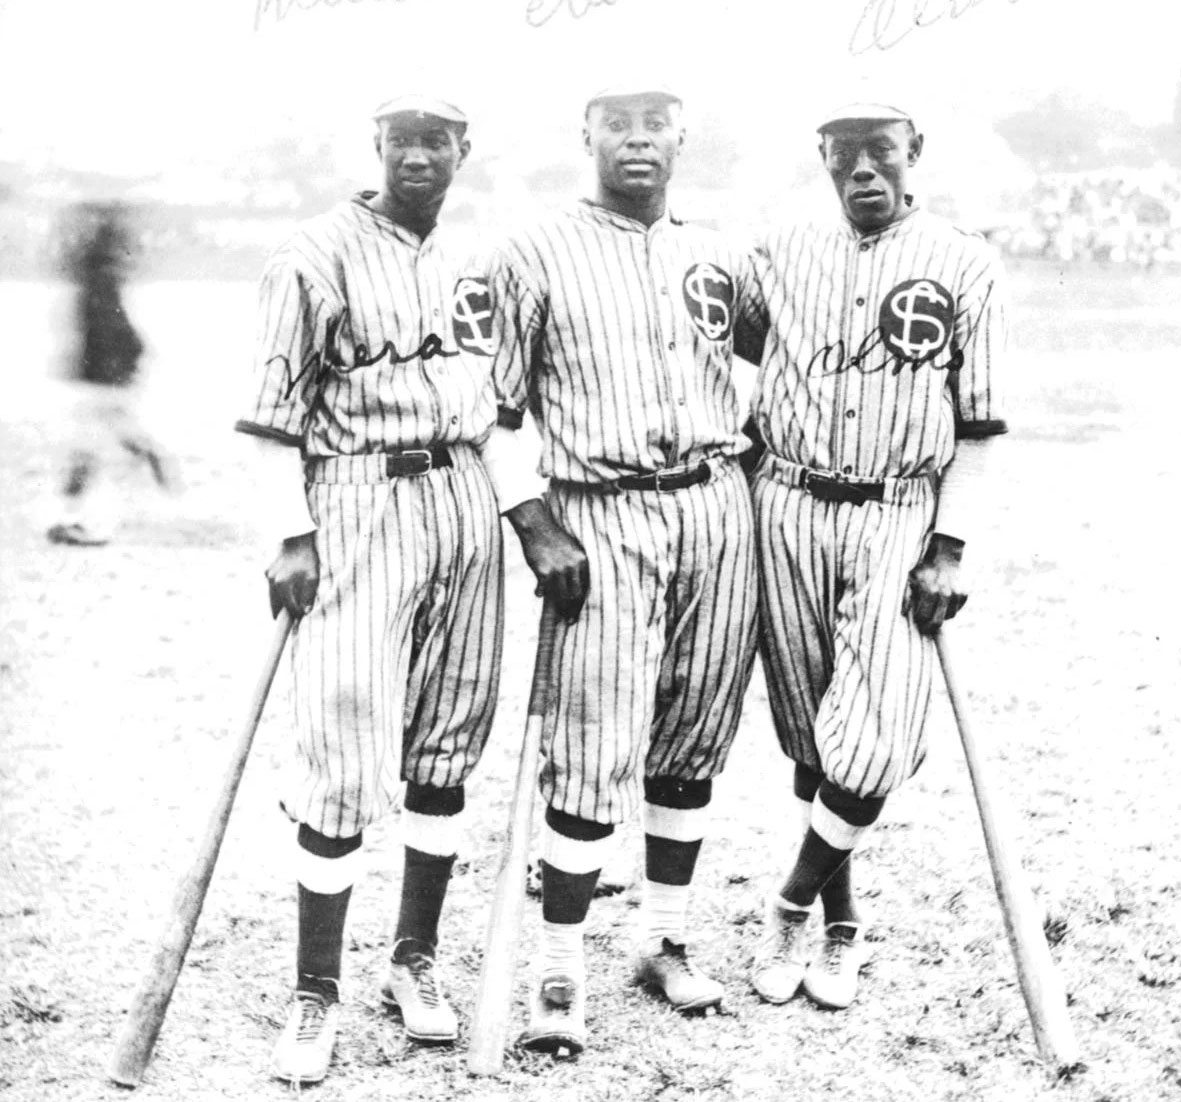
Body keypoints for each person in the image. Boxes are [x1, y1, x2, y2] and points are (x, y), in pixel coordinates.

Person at [237, 95, 584, 1085]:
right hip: (357, 497)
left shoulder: (478, 258)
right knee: (346, 749)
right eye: (403, 137)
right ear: (376, 145)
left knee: (446, 743)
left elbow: (499, 414)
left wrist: (528, 514)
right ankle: (315, 990)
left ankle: (412, 956)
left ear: (465, 148)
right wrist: (292, 532)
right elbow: (272, 418)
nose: (421, 153)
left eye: (440, 137)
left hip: (464, 501)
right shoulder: (314, 253)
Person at [491, 83, 759, 1058]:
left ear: (683, 133)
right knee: (594, 742)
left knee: (693, 736)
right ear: (588, 134)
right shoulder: (533, 247)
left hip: (715, 503)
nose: (638, 139)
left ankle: (662, 936)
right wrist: (532, 522)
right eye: (618, 123)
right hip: (599, 511)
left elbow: (784, 362)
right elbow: (495, 407)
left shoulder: (717, 247)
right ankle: (560, 963)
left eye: (656, 123)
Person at [735, 101, 1008, 1010]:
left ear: (913, 153)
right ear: (821, 157)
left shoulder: (966, 262)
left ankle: (789, 905)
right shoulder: (780, 250)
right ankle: (841, 929)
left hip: (896, 510)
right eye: (843, 153)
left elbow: (978, 425)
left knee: (876, 738)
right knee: (816, 734)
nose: (862, 171)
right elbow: (718, 340)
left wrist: (951, 547)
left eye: (880, 152)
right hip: (789, 500)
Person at [47, 201, 176, 546]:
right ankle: (146, 453)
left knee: (87, 446)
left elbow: (108, 331)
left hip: (98, 379)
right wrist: (133, 357)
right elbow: (117, 331)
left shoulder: (92, 283)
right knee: (99, 439)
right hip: (105, 378)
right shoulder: (103, 283)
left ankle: (75, 519)